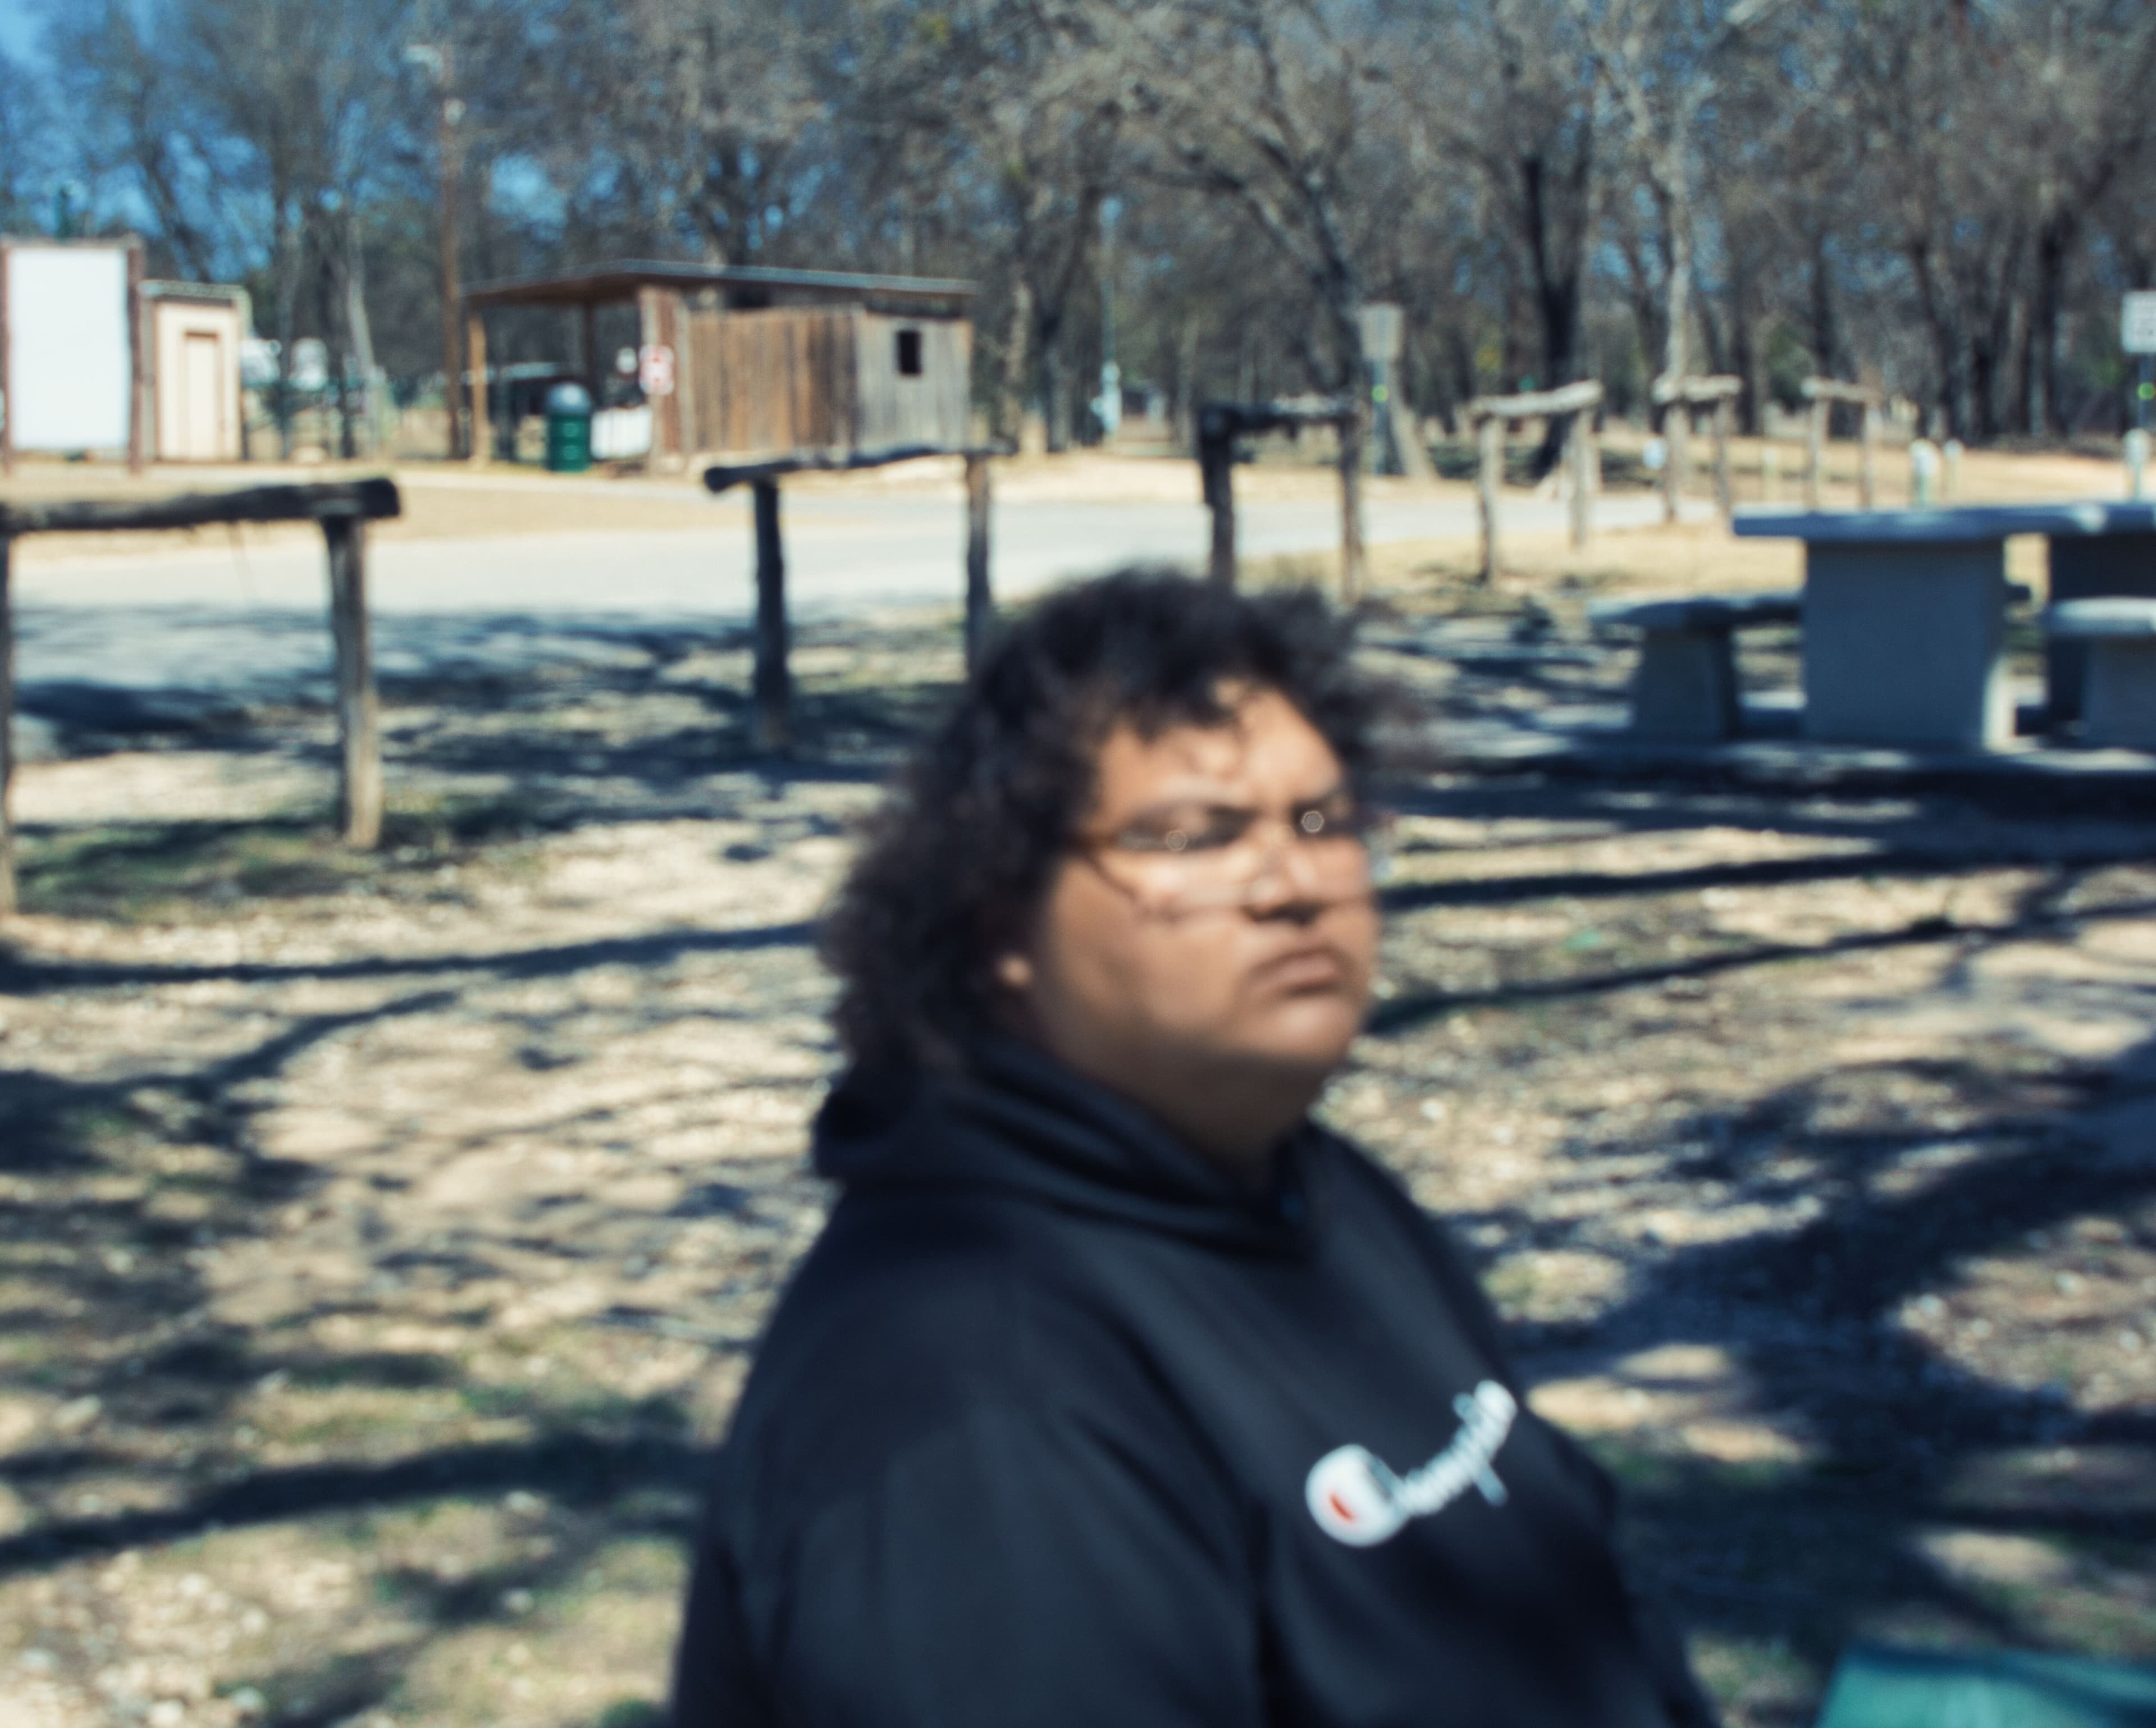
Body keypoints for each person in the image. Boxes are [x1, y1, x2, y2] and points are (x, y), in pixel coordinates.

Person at [671, 570, 1717, 1728]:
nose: (1293, 884)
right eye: (1195, 836)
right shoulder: (977, 1408)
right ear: (999, 922)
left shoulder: (1312, 1189)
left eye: (1324, 821)